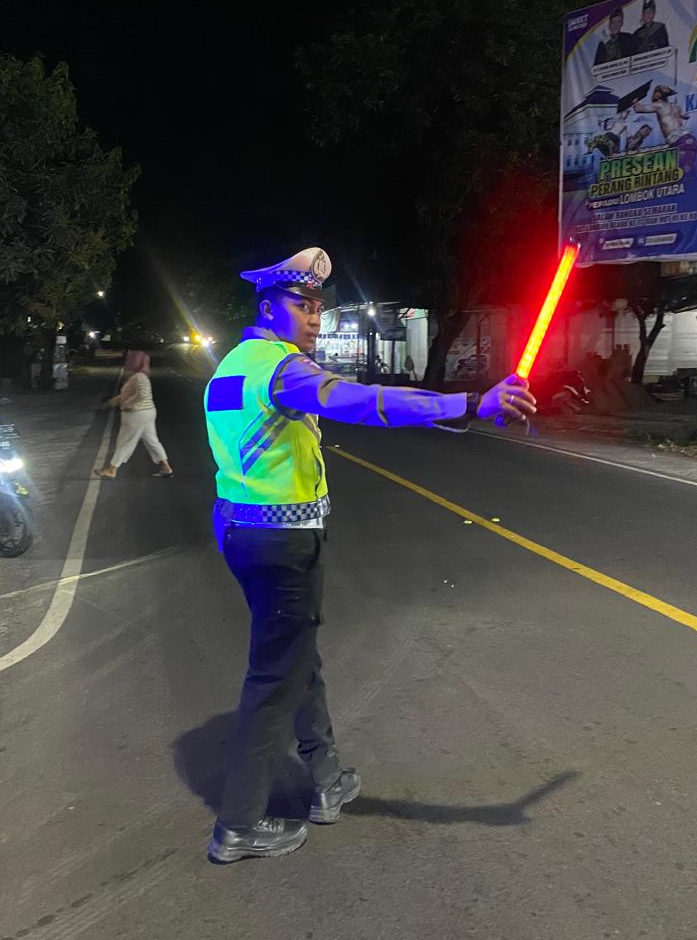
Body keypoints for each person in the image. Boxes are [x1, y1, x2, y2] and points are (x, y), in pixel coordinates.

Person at [202, 247, 535, 864]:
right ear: (269, 307)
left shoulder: (231, 366)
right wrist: (469, 404)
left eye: (318, 305)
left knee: (297, 657)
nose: (315, 317)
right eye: (302, 304)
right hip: (284, 543)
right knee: (273, 678)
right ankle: (238, 825)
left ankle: (327, 779)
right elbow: (366, 401)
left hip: (240, 531)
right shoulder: (282, 370)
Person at [95, 349, 173, 479]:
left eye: (130, 360)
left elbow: (142, 395)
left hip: (136, 414)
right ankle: (166, 467)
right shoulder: (138, 376)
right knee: (152, 441)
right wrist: (110, 403)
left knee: (125, 441)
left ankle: (112, 469)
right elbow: (127, 395)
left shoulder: (139, 377)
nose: (128, 362)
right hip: (146, 413)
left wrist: (127, 404)